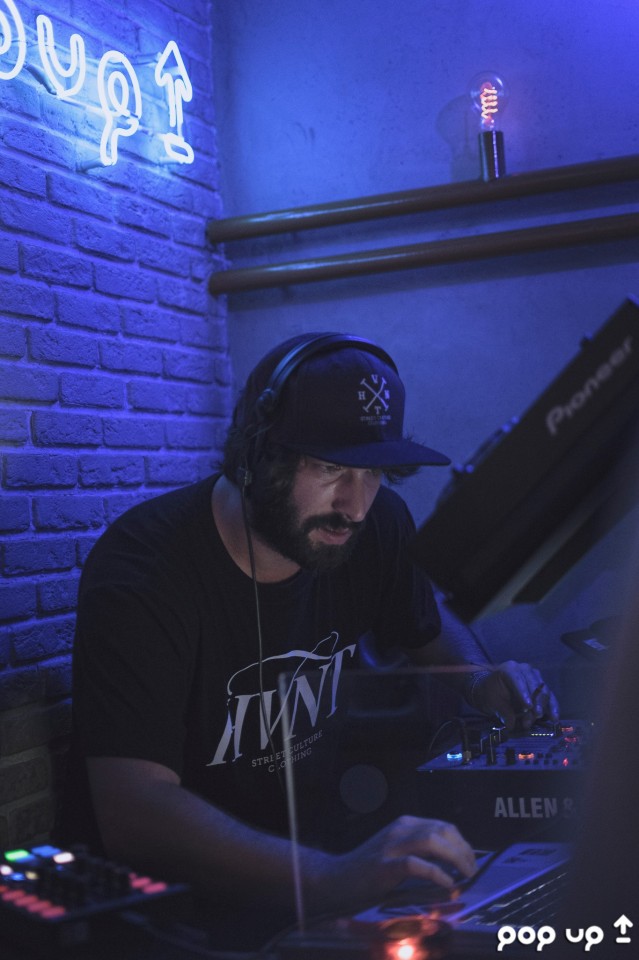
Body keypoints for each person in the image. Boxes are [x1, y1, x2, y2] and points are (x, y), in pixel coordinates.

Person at [60, 332, 559, 949]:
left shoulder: (374, 527)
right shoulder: (144, 570)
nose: (355, 505)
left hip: (312, 893)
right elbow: (134, 811)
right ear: (255, 454)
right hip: (174, 924)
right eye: (330, 468)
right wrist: (332, 877)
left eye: (373, 472)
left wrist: (479, 680)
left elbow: (424, 619)